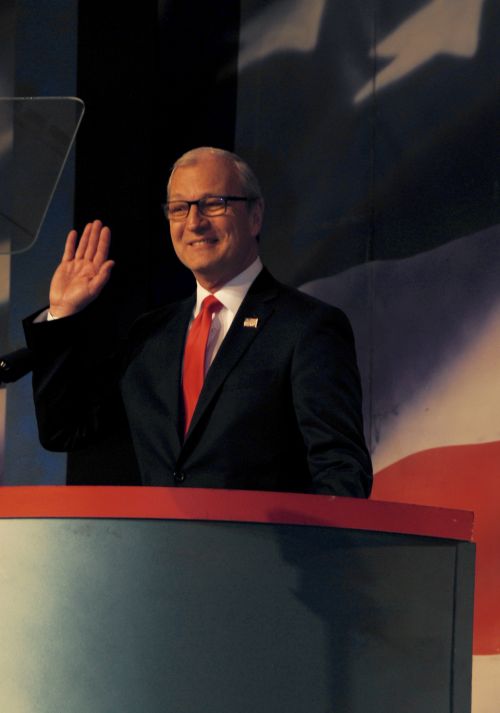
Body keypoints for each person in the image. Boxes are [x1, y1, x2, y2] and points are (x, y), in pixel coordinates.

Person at [24, 147, 372, 496]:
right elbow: (64, 429)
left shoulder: (306, 328)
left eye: (213, 203)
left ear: (255, 216)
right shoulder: (150, 335)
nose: (194, 222)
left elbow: (341, 472)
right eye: (179, 208)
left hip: (262, 549)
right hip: (164, 549)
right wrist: (61, 314)